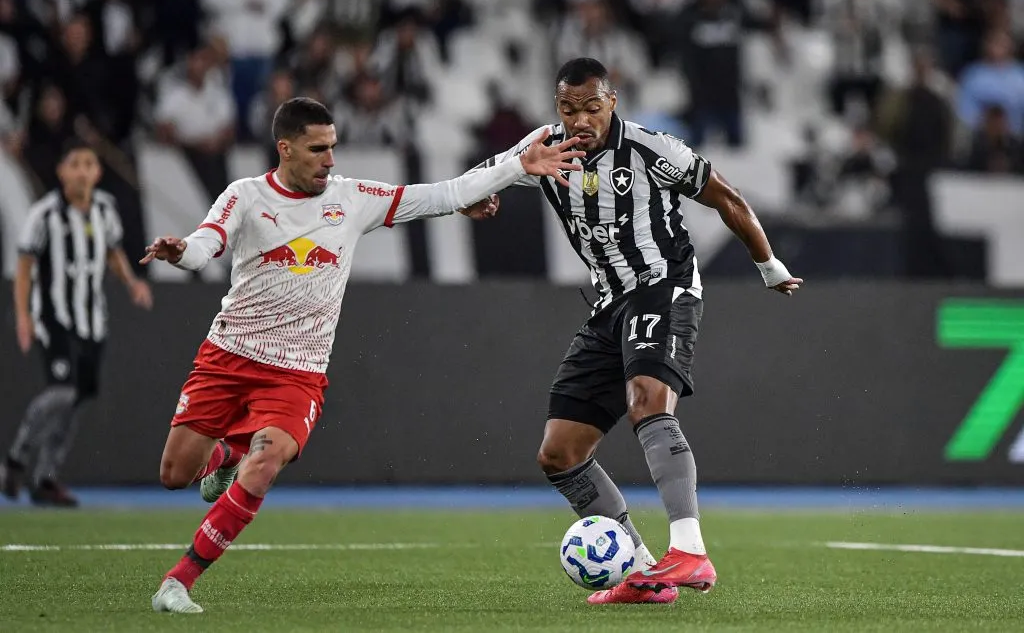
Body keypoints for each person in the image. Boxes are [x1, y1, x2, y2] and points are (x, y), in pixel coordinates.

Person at [142, 96, 584, 614]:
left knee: (266, 465)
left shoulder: (352, 199)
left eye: (333, 147)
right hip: (228, 356)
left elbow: (444, 193)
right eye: (317, 149)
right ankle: (225, 455)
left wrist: (514, 166)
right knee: (175, 475)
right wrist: (180, 253)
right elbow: (203, 244)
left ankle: (178, 582)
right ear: (285, 149)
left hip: (297, 373)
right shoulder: (245, 196)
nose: (330, 160)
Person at [474, 58, 801, 605]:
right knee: (559, 453)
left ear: (612, 101)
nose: (580, 120)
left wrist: (769, 267)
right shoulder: (544, 148)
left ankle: (690, 549)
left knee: (648, 401)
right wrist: (479, 197)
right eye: (568, 108)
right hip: (607, 305)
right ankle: (643, 574)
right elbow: (485, 176)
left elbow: (727, 198)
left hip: (663, 287)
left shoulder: (654, 150)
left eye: (591, 107)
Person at [0, 139, 153, 507]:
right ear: (62, 171)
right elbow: (24, 267)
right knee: (62, 391)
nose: (83, 171)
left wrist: (131, 283)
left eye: (89, 164)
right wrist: (23, 315)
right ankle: (16, 459)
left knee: (77, 399)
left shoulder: (104, 209)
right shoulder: (45, 214)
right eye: (76, 164)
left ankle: (45, 478)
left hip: (92, 322)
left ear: (98, 172)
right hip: (55, 317)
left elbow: (112, 252)